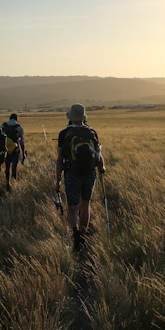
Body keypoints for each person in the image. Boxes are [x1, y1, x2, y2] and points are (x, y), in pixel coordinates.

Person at [55, 103, 105, 250]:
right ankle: (83, 235)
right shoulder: (92, 133)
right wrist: (102, 168)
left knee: (72, 207)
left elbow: (59, 160)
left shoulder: (64, 134)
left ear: (71, 116)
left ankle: (75, 233)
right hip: (89, 173)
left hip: (72, 173)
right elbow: (99, 156)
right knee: (85, 204)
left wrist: (57, 180)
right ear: (83, 117)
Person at [2, 113, 25, 190]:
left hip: (6, 149)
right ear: (16, 119)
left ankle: (7, 182)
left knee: (7, 167)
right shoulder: (19, 127)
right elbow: (22, 140)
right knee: (14, 167)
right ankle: (14, 182)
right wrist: (23, 151)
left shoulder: (3, 126)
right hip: (15, 149)